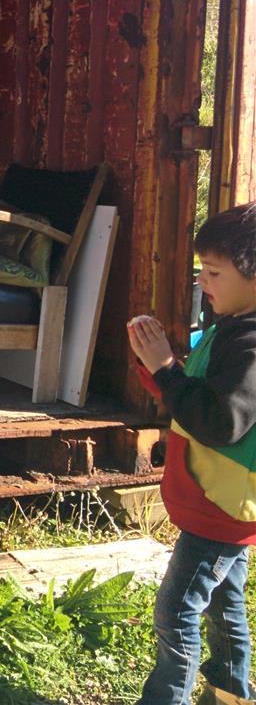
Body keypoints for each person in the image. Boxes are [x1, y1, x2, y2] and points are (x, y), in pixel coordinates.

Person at [129, 202, 256, 705]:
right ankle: (231, 694)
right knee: (224, 605)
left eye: (214, 272)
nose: (203, 281)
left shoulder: (250, 346)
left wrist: (166, 371)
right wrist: (157, 368)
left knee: (177, 610)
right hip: (221, 502)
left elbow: (222, 423)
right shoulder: (233, 325)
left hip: (219, 507)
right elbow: (199, 393)